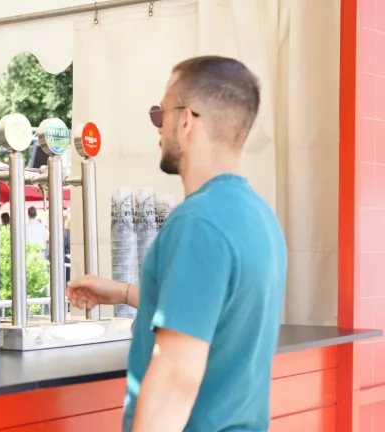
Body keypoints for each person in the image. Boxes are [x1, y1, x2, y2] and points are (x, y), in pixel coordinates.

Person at [66, 56, 287, 432]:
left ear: (185, 120)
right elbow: (213, 308)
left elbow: (175, 378)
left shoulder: (197, 223)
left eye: (161, 112)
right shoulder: (260, 217)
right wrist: (123, 293)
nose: (158, 125)